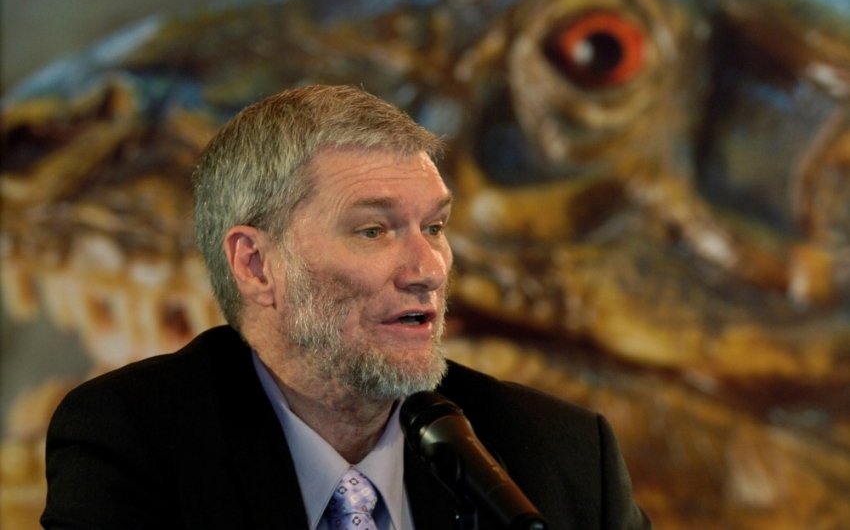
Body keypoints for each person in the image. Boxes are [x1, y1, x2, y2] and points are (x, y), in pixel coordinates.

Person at [41, 85, 651, 530]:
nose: (429, 270)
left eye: (435, 227)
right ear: (255, 264)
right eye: (373, 231)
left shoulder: (559, 455)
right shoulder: (132, 442)